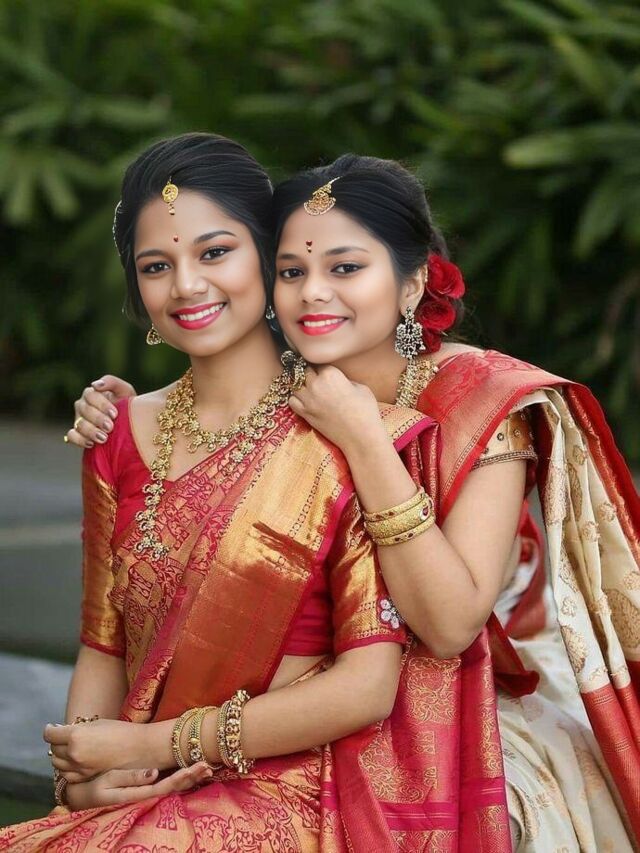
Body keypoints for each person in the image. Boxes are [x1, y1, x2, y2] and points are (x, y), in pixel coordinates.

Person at [73, 153, 640, 851]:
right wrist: (115, 412)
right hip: (279, 716)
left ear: (413, 283)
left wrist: (366, 442)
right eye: (291, 272)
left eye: (345, 268)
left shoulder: (481, 400)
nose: (314, 293)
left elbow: (450, 626)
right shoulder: (287, 393)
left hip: (441, 705)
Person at [0, 135, 444, 852]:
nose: (185, 285)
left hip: (293, 785)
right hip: (144, 779)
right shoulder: (117, 433)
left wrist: (158, 742)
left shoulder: (345, 431)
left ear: (268, 259)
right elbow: (104, 643)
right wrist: (83, 774)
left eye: (214, 253)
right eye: (156, 266)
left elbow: (367, 685)